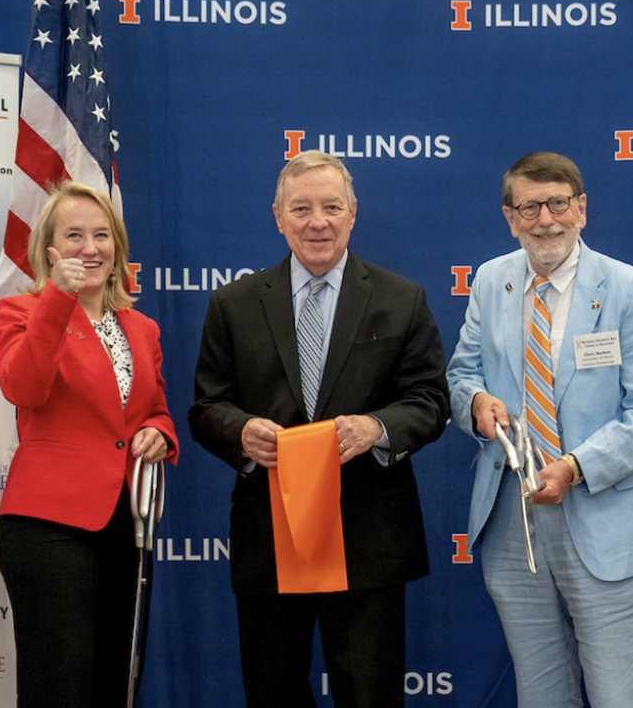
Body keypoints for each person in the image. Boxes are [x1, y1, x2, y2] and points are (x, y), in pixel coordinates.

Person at [188, 150, 450, 708]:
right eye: (301, 208)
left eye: (331, 206)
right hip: (270, 536)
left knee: (371, 696)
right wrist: (240, 432)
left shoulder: (401, 299)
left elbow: (430, 401)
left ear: (353, 214)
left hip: (367, 537)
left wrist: (377, 426)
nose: (317, 221)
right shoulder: (232, 304)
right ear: (278, 217)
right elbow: (208, 406)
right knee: (273, 693)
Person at [446, 152, 633, 707]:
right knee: (542, 695)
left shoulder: (631, 289)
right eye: (530, 207)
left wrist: (575, 468)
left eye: (557, 204)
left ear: (581, 209)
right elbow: (462, 372)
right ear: (510, 216)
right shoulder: (491, 280)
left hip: (607, 520)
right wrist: (475, 401)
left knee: (620, 696)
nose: (545, 219)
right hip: (514, 523)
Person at [0, 181, 178, 707]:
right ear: (48, 249)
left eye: (102, 235)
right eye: (74, 236)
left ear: (117, 247)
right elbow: (23, 387)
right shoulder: (20, 310)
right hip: (48, 528)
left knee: (110, 684)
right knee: (59, 687)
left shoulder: (141, 328)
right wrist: (57, 297)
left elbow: (156, 409)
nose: (90, 248)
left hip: (124, 527)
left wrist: (159, 432)